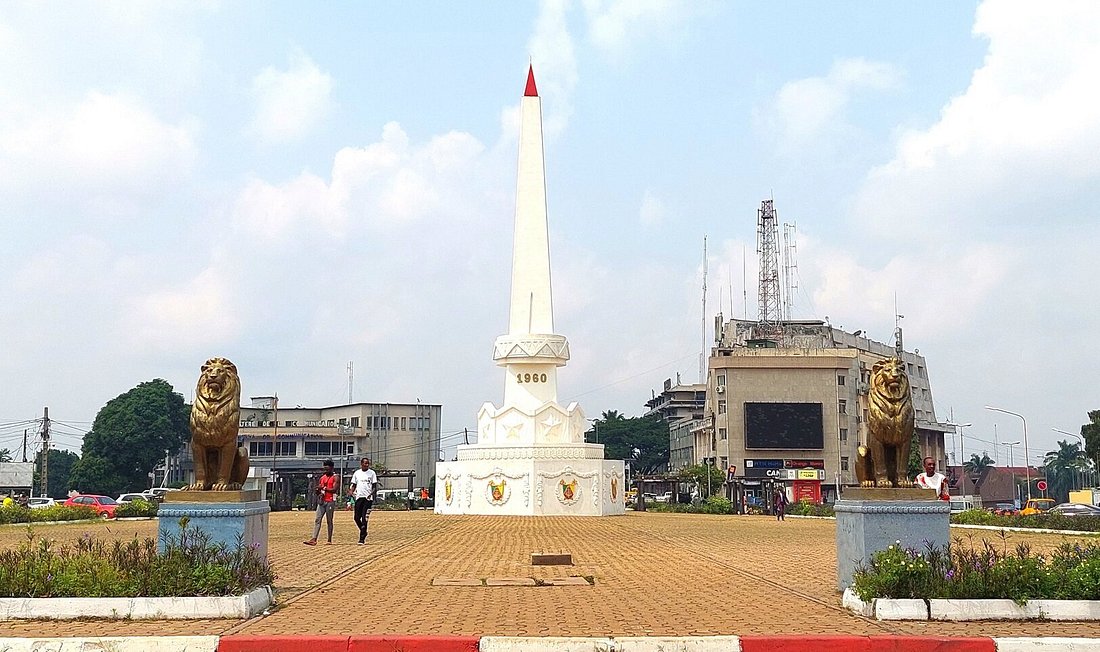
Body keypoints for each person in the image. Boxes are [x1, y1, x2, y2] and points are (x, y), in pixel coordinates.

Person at [304, 459, 339, 546]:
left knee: (329, 520)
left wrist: (323, 488)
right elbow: (319, 490)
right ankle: (314, 539)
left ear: (332, 468)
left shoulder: (335, 477)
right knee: (317, 519)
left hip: (330, 500)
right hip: (322, 501)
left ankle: (329, 539)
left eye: (327, 469)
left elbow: (334, 489)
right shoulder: (322, 478)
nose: (326, 471)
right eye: (325, 469)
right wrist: (317, 491)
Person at [349, 457, 379, 545]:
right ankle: (363, 530)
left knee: (364, 518)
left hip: (367, 498)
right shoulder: (357, 473)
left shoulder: (372, 473)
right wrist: (351, 492)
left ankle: (361, 538)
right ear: (361, 464)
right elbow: (354, 485)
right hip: (359, 497)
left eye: (368, 463)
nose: (366, 465)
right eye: (365, 463)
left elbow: (374, 486)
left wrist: (371, 494)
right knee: (356, 518)